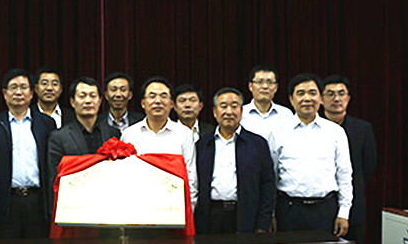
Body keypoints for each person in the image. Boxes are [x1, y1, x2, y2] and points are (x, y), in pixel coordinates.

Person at [270, 73, 352, 236]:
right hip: (289, 210)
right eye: (300, 93)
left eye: (312, 93)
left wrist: (344, 213)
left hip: (325, 210)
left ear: (320, 98)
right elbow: (271, 176)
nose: (307, 98)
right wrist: (271, 213)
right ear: (291, 99)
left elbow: (344, 175)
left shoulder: (335, 132)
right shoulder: (278, 133)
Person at [0, 68, 56, 238]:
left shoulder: (46, 124)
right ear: (5, 94)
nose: (18, 92)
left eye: (23, 87)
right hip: (5, 203)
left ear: (31, 93)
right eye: (13, 87)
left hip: (37, 201)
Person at [195, 87, 275, 234]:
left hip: (246, 216)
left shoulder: (258, 144)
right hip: (211, 217)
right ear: (215, 112)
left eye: (234, 106)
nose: (229, 112)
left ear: (241, 111)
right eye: (223, 106)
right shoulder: (202, 145)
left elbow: (268, 186)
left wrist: (263, 224)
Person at [121, 76, 198, 209]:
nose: (158, 101)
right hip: (137, 207)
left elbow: (190, 177)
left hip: (173, 208)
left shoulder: (184, 134)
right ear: (143, 103)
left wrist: (188, 211)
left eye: (163, 96)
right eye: (152, 96)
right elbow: (123, 176)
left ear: (171, 103)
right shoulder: (129, 134)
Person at [322, 74, 377, 244]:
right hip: (320, 206)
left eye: (341, 93)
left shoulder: (363, 129)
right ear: (321, 99)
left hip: (354, 204)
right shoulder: (314, 128)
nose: (336, 98)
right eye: (330, 94)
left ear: (348, 98)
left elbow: (368, 166)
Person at [47, 76, 120, 183]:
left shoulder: (113, 133)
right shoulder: (59, 137)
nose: (88, 101)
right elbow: (55, 178)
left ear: (99, 101)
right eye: (82, 96)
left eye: (93, 96)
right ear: (72, 102)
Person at [240, 64, 294, 140]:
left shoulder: (286, 114)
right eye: (260, 82)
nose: (265, 86)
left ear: (276, 87)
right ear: (250, 86)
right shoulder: (240, 113)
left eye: (270, 82)